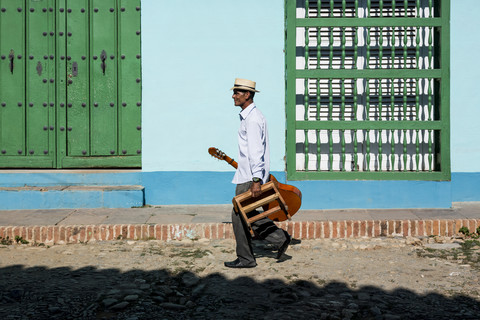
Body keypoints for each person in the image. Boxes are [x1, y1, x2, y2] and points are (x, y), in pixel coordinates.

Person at [224, 78, 291, 269]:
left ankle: (248, 258)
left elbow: (256, 153)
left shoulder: (252, 120)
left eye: (237, 92)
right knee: (247, 213)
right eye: (234, 92)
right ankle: (279, 238)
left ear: (248, 95)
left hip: (249, 177)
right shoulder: (251, 116)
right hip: (247, 174)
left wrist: (255, 180)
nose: (233, 95)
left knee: (239, 215)